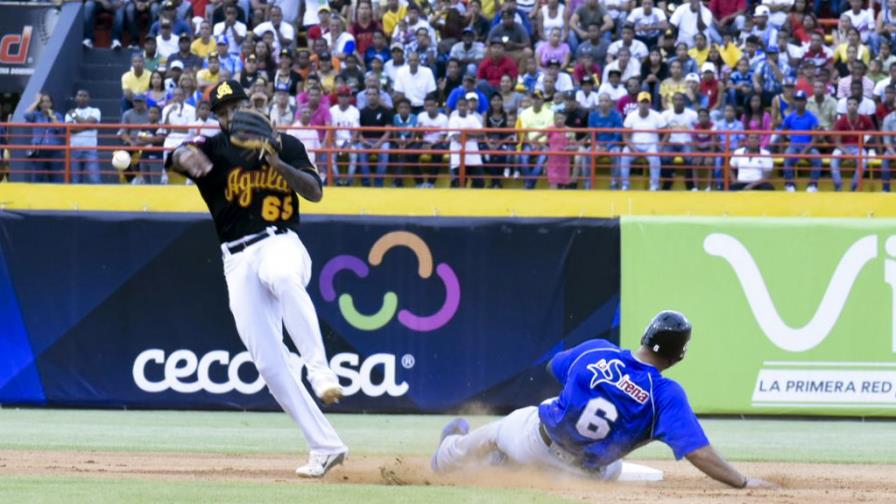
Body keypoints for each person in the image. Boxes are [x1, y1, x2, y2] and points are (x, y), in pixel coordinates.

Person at [165, 80, 347, 478]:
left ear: (251, 106)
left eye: (237, 106)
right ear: (218, 117)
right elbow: (178, 157)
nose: (232, 114)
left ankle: (320, 370)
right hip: (236, 260)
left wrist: (276, 163)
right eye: (224, 110)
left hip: (279, 242)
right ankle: (325, 447)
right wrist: (183, 158)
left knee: (282, 276)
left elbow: (315, 193)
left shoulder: (285, 144)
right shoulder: (213, 149)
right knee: (270, 363)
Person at [432, 311, 778, 491]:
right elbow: (698, 452)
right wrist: (743, 482)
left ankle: (447, 455)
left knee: (508, 425)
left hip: (536, 445)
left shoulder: (597, 350)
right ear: (679, 356)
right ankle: (501, 463)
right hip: (586, 475)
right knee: (620, 464)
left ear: (646, 334)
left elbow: (556, 367)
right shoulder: (666, 395)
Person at [621, 92, 666, 191]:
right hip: (634, 145)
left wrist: (661, 146)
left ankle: (654, 185)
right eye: (642, 102)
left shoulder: (657, 116)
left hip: (651, 146)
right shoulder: (631, 116)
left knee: (655, 158)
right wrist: (633, 149)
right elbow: (625, 136)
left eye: (646, 102)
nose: (644, 105)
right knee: (624, 155)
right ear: (638, 103)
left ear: (650, 104)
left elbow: (667, 132)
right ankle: (625, 185)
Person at [830, 96, 876, 192]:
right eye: (849, 104)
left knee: (863, 161)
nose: (852, 106)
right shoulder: (841, 121)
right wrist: (846, 152)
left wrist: (866, 139)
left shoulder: (864, 119)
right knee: (833, 161)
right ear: (846, 106)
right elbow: (837, 143)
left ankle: (853, 187)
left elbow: (872, 131)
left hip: (858, 147)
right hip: (842, 148)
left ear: (858, 106)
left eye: (854, 104)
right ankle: (838, 186)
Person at [780, 90, 821, 192]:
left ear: (805, 101)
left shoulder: (812, 117)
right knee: (787, 157)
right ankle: (790, 184)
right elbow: (783, 132)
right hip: (794, 146)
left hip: (808, 146)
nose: (799, 102)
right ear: (794, 101)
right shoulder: (790, 117)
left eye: (801, 100)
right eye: (797, 100)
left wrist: (805, 150)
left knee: (817, 158)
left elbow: (815, 138)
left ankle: (812, 185)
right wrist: (784, 146)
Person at [24, 93, 65, 183]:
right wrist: (36, 101)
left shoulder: (57, 116)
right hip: (39, 150)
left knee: (56, 179)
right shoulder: (36, 115)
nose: (45, 104)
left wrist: (53, 117)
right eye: (43, 102)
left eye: (48, 101)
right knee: (37, 179)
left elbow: (60, 128)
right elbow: (26, 114)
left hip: (54, 151)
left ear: (51, 104)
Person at [358, 88, 393, 187]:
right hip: (365, 141)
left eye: (374, 94)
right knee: (360, 152)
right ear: (366, 97)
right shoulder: (361, 112)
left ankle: (379, 181)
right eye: (369, 95)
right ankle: (366, 182)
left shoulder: (386, 111)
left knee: (385, 152)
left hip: (382, 141)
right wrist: (363, 140)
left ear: (378, 96)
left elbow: (388, 132)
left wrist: (379, 143)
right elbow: (358, 131)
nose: (371, 97)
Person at [65, 90, 102, 184]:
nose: (82, 97)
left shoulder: (95, 110)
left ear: (89, 98)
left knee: (95, 179)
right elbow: (71, 129)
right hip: (74, 149)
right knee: (76, 180)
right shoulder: (67, 113)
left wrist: (74, 116)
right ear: (76, 98)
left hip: (90, 149)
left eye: (85, 96)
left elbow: (88, 123)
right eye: (80, 95)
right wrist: (89, 126)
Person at [447, 95, 484, 187]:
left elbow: (482, 134)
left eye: (464, 105)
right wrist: (471, 134)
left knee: (479, 183)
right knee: (458, 185)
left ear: (468, 106)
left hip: (473, 156)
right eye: (460, 105)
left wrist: (464, 134)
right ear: (457, 107)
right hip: (458, 157)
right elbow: (457, 138)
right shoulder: (453, 119)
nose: (462, 107)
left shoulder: (473, 118)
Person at [588, 93, 623, 190]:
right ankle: (588, 181)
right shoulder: (592, 116)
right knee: (586, 153)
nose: (603, 103)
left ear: (610, 103)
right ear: (598, 103)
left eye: (606, 101)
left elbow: (617, 136)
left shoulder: (617, 116)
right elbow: (592, 134)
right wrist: (597, 145)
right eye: (601, 101)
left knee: (616, 153)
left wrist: (607, 147)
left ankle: (614, 182)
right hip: (597, 144)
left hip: (612, 144)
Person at [329, 86, 361, 186]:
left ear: (350, 97)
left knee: (354, 154)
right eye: (341, 95)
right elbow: (331, 130)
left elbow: (355, 131)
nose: (343, 98)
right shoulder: (332, 110)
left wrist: (349, 145)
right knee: (331, 155)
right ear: (337, 97)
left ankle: (349, 181)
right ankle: (338, 180)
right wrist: (335, 144)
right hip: (336, 140)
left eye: (346, 96)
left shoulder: (354, 111)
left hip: (349, 141)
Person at [417, 94, 449, 188]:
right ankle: (419, 182)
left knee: (438, 153)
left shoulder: (443, 118)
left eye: (431, 105)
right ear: (424, 106)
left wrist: (430, 146)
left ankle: (431, 182)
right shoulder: (421, 116)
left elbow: (442, 138)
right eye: (427, 106)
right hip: (424, 142)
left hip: (438, 143)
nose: (429, 108)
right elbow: (419, 135)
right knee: (410, 154)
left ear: (436, 105)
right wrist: (419, 132)